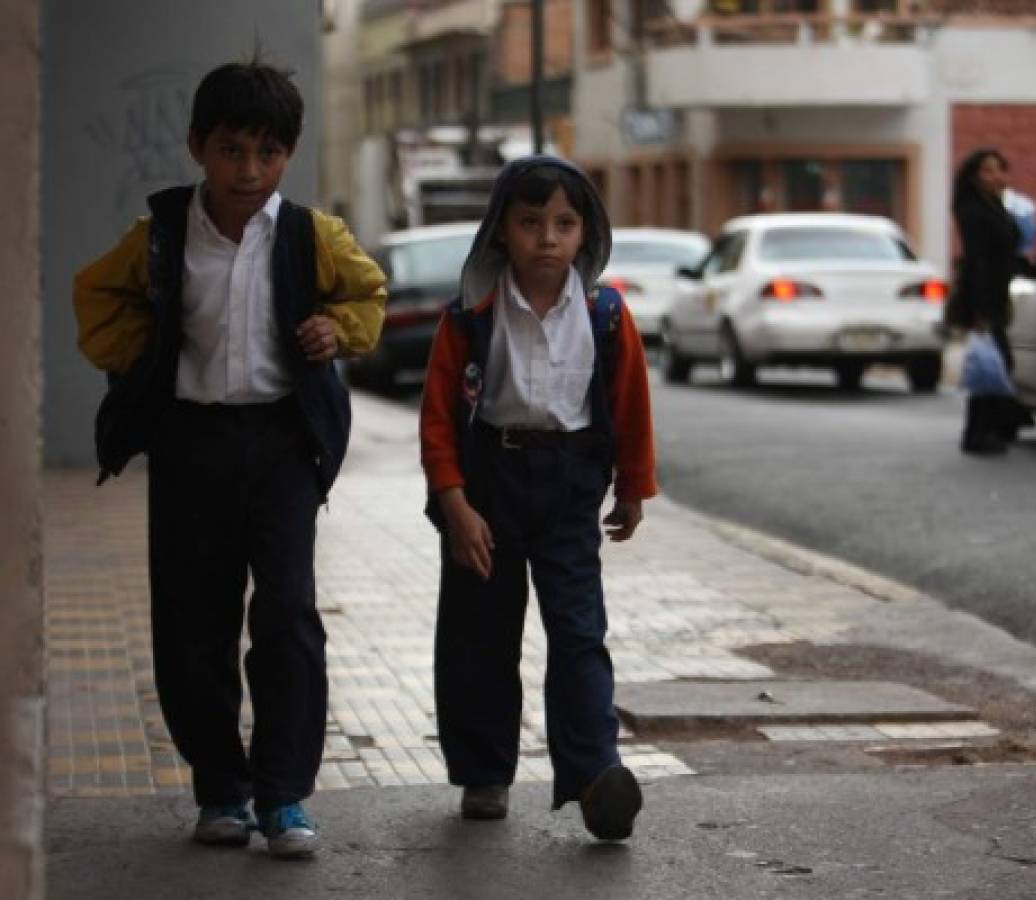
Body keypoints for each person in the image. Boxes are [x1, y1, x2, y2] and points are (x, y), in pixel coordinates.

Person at [73, 59, 386, 858]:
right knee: (191, 624)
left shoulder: (314, 236)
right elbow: (95, 295)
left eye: (268, 153)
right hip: (190, 446)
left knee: (286, 618)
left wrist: (335, 332)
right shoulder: (162, 235)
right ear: (197, 148)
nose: (249, 171)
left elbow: (366, 296)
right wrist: (143, 357)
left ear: (289, 154)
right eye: (232, 150)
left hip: (281, 445)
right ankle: (220, 789)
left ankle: (283, 796)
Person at [419, 156, 656, 841]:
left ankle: (592, 773)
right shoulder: (469, 316)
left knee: (579, 632)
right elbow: (438, 417)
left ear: (586, 233)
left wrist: (633, 486)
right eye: (529, 223)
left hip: (569, 484)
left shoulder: (606, 314)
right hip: (487, 483)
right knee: (478, 636)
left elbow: (630, 403)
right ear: (501, 233)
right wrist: (453, 502)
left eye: (564, 223)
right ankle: (483, 772)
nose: (547, 238)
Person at [950, 147, 1033, 455]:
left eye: (999, 169)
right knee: (992, 365)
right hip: (983, 298)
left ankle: (989, 428)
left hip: (997, 296)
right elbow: (980, 261)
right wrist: (981, 311)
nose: (996, 176)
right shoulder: (973, 210)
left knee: (993, 365)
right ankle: (980, 431)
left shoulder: (996, 205)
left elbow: (1007, 253)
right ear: (974, 178)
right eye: (988, 171)